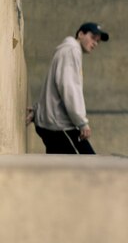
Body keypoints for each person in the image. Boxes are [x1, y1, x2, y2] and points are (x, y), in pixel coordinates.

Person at [28, 22, 109, 154]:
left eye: (98, 41)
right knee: (90, 164)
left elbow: (53, 84)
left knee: (61, 170)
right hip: (59, 126)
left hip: (54, 124)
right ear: (81, 34)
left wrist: (39, 110)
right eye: (93, 37)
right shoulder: (72, 50)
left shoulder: (67, 50)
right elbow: (68, 87)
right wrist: (82, 122)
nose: (95, 43)